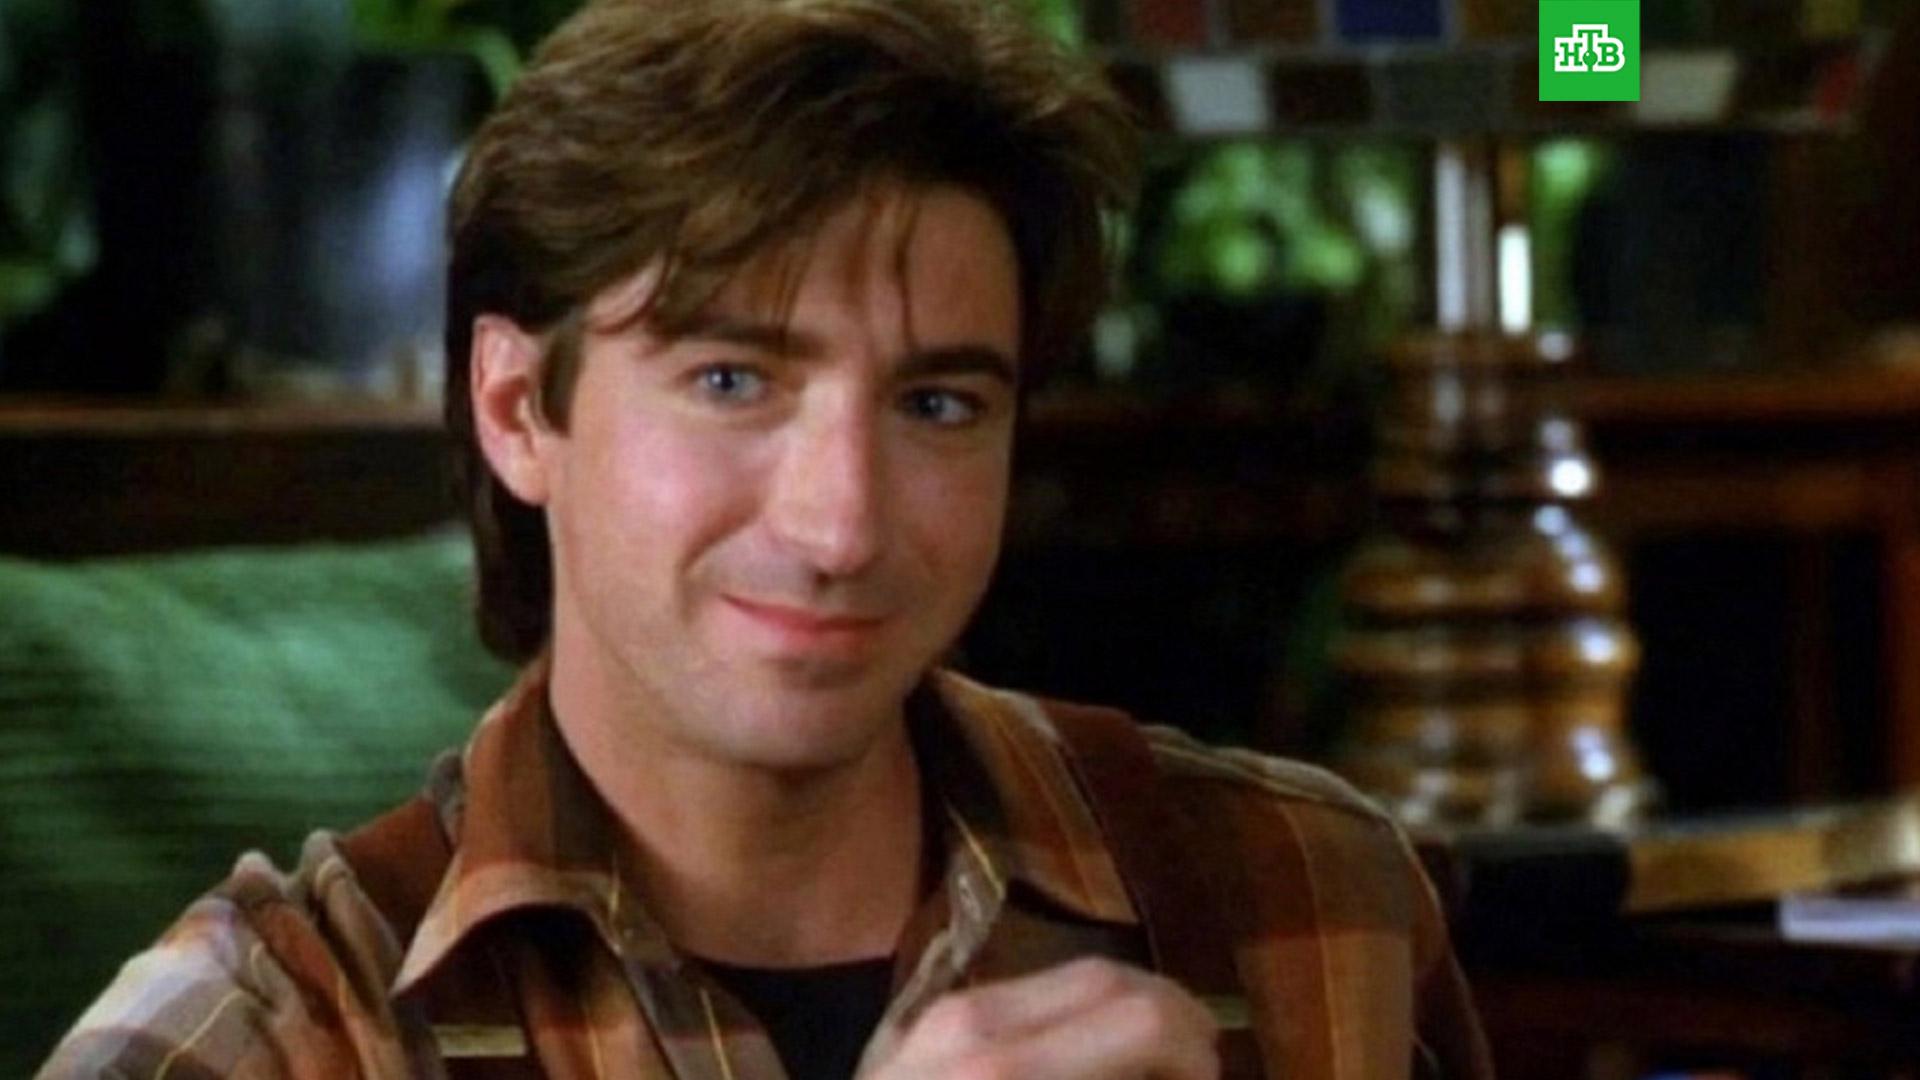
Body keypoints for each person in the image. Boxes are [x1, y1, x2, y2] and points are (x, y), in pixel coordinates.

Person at [41, 0, 1492, 1076]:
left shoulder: (1308, 900)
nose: (841, 524)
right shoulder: (272, 1034)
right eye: (732, 381)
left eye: (936, 403)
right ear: (517, 408)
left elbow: (1582, 43)